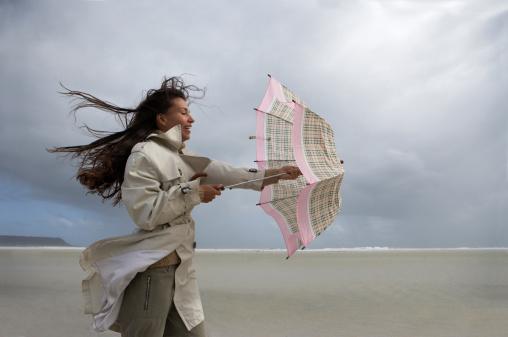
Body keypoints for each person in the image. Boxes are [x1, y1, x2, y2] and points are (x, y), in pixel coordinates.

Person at [47, 76, 301, 337]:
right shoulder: (143, 155)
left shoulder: (184, 157)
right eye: (183, 112)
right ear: (162, 119)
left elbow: (232, 174)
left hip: (182, 272)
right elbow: (145, 214)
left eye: (189, 113)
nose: (191, 119)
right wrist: (194, 193)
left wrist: (279, 173)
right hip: (152, 274)